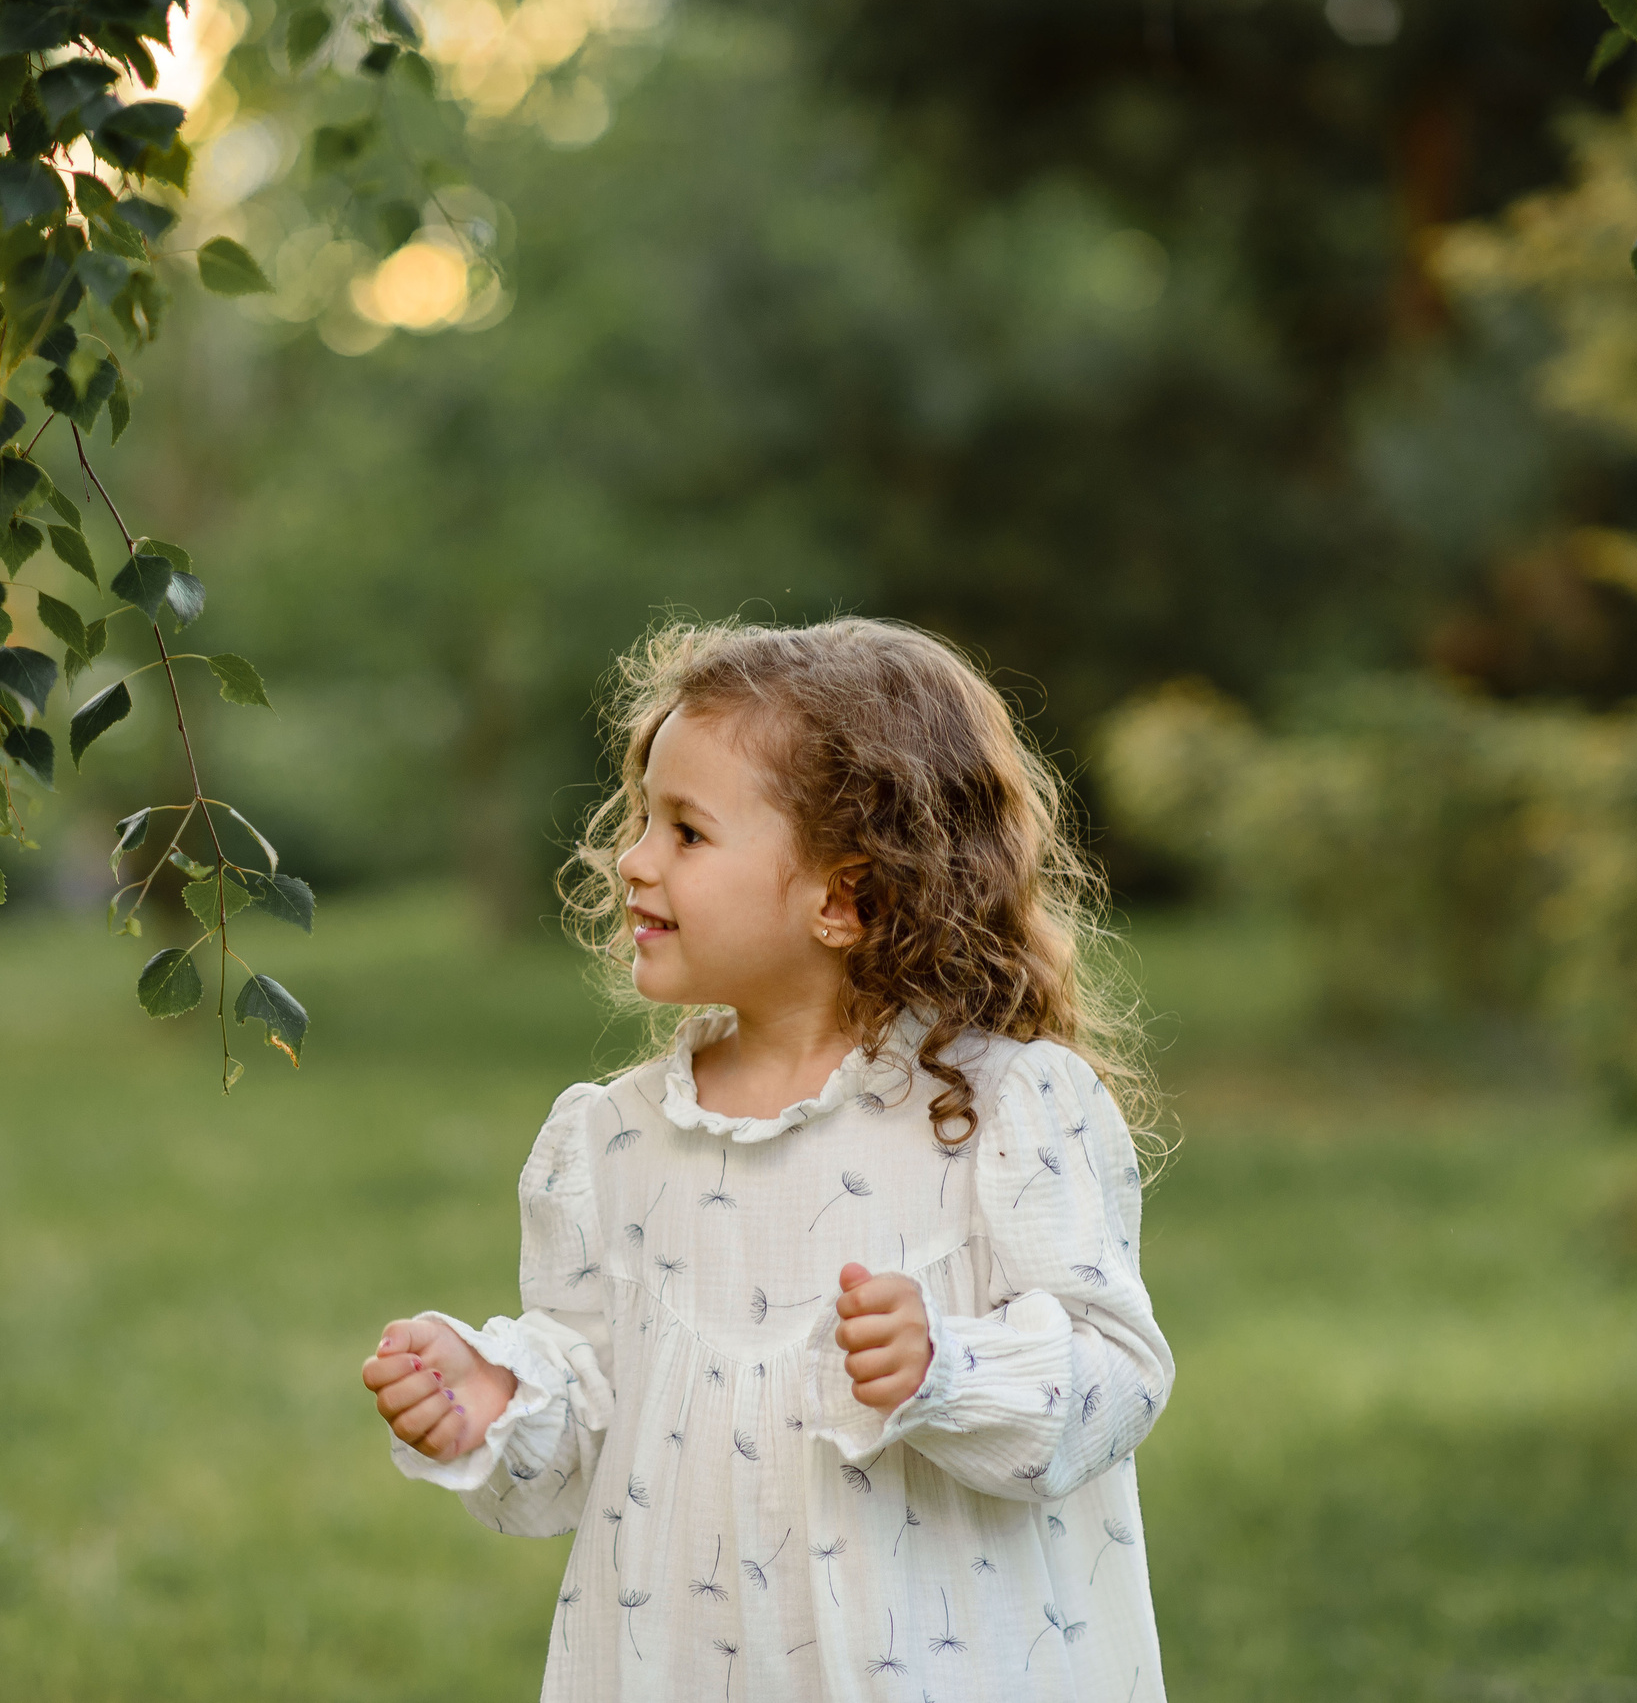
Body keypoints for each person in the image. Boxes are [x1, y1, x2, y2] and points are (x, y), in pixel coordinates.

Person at [361, 616, 1177, 1700]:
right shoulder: (609, 1142)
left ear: (844, 897)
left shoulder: (1002, 1109)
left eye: (687, 832)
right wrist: (504, 1392)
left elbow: (1114, 1379)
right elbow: (585, 1421)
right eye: (644, 819)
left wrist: (947, 1366)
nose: (632, 858)